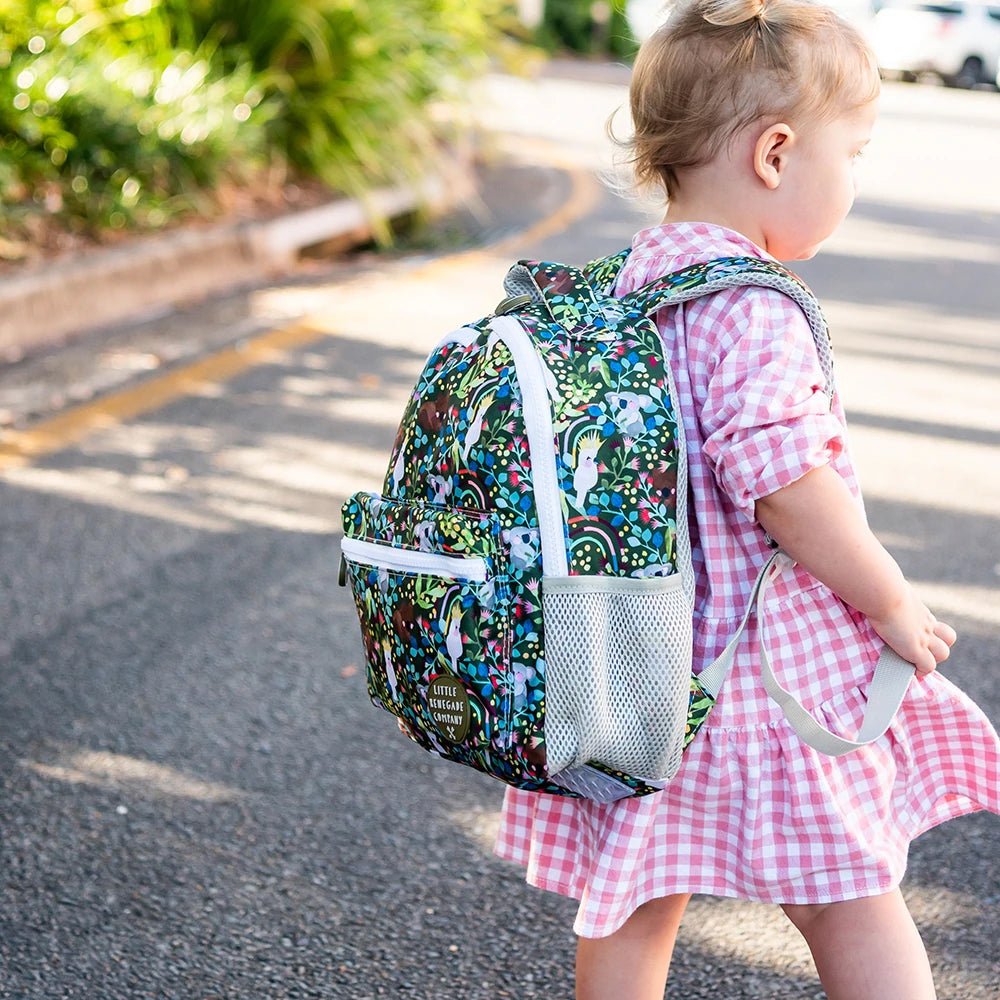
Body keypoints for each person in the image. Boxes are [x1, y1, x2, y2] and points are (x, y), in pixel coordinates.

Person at [493, 0, 1000, 997]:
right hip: (758, 678)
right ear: (775, 154)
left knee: (636, 890)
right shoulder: (750, 308)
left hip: (633, 667)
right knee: (846, 889)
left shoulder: (623, 288)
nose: (854, 176)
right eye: (852, 152)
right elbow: (786, 488)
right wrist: (888, 595)